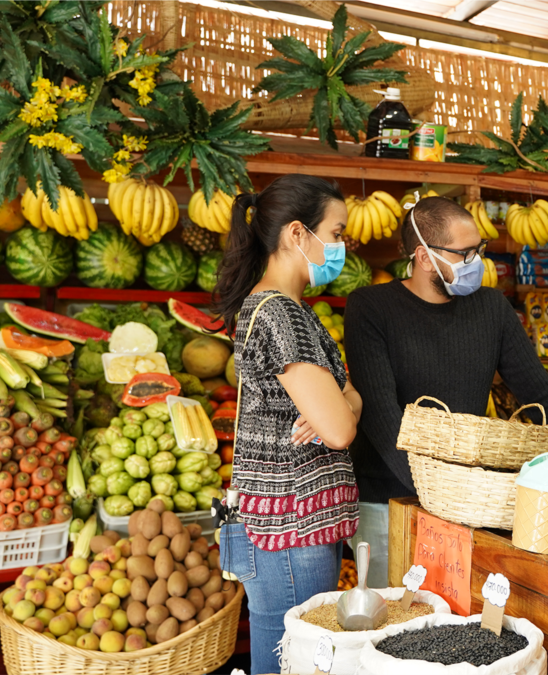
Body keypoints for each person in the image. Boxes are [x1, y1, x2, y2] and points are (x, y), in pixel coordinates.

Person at [345, 196, 548, 587]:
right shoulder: (370, 306)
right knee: (394, 620)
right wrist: (440, 494)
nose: (477, 262)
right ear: (423, 256)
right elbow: (382, 417)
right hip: (388, 499)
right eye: (465, 253)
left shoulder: (492, 307)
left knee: (455, 622)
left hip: (468, 498)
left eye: (479, 250)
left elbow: (536, 387)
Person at [212, 174, 364, 675]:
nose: (342, 246)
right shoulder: (280, 313)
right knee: (289, 663)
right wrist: (341, 406)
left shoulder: (293, 310)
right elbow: (341, 429)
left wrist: (343, 401)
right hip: (290, 531)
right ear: (298, 233)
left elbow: (350, 404)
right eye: (337, 233)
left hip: (290, 529)